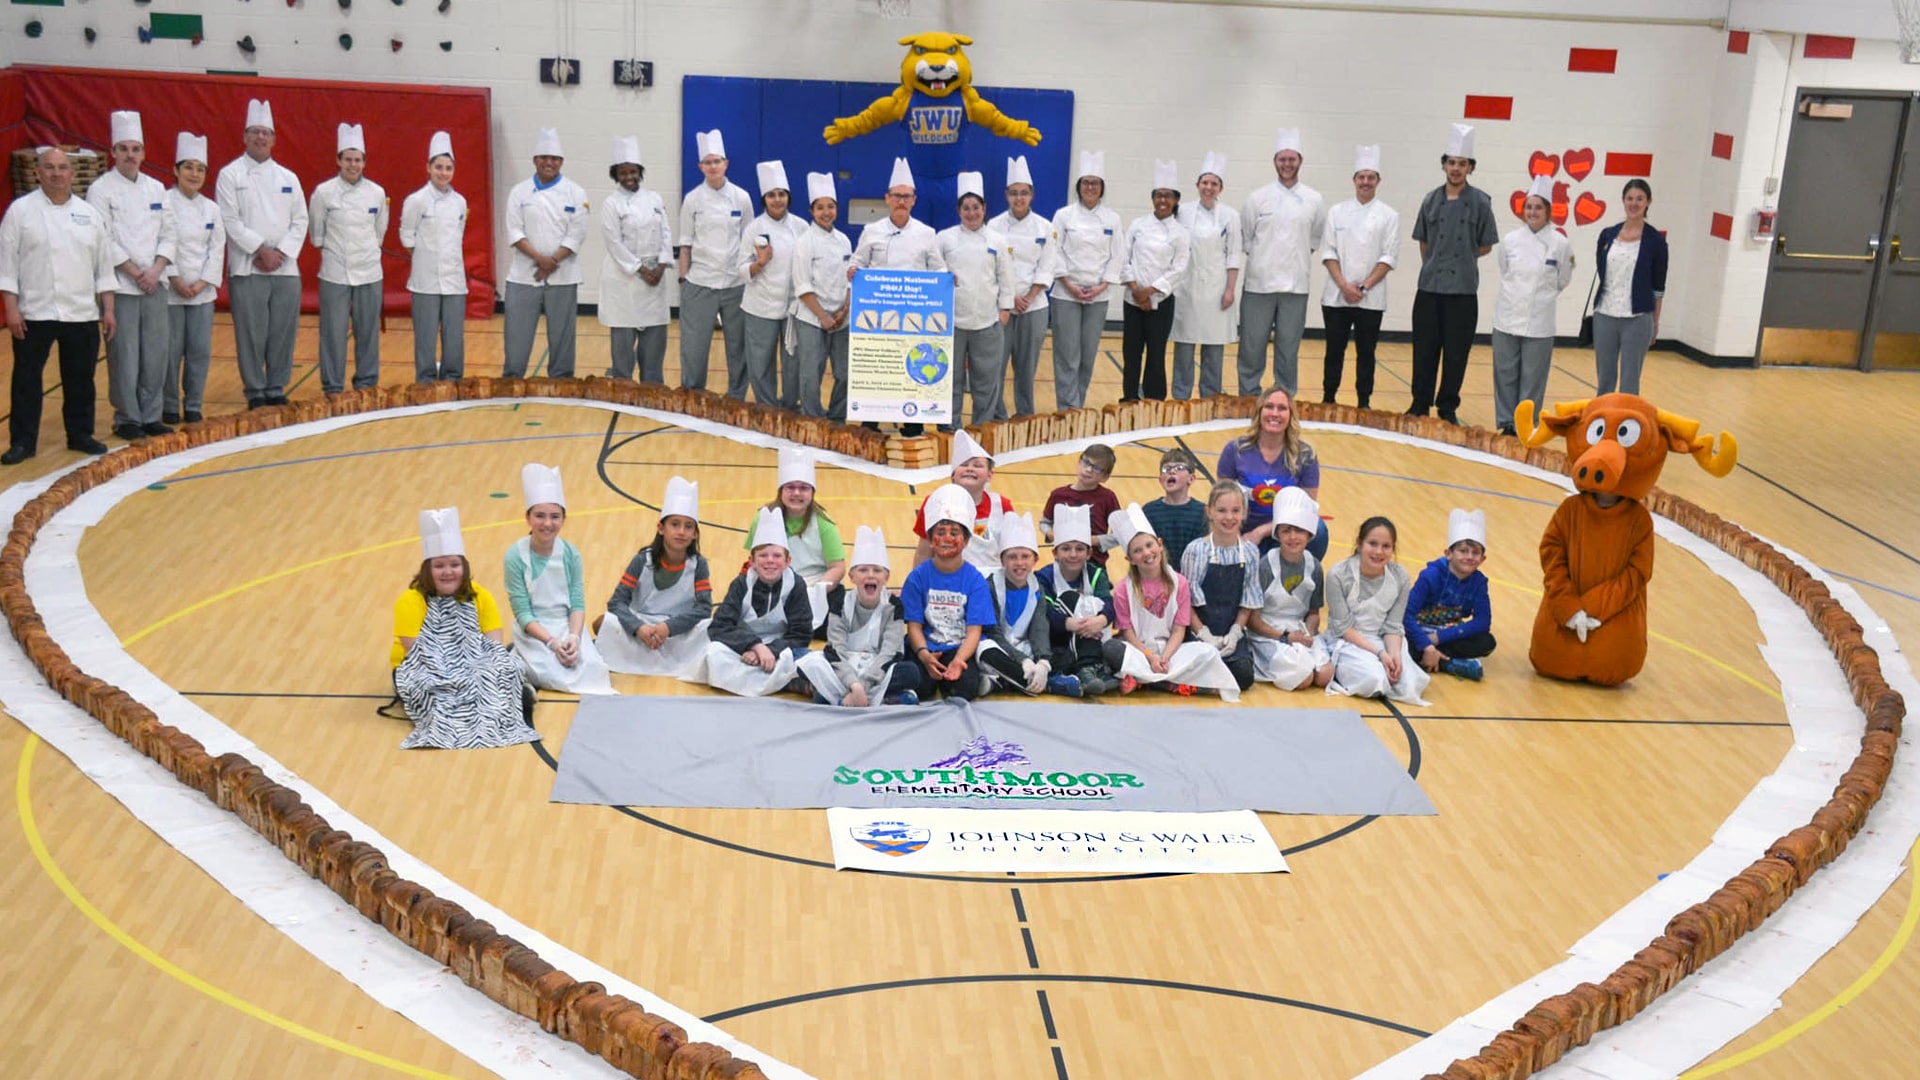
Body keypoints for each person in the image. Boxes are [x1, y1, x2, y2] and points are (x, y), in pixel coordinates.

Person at [1, 148, 116, 464]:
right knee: (26, 381)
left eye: (62, 167)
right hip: (34, 312)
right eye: (49, 167)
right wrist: (11, 308)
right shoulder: (19, 212)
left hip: (80, 311)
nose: (56, 173)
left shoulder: (89, 214)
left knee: (81, 379)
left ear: (71, 173)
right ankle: (23, 442)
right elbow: (7, 266)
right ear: (38, 173)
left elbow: (103, 267)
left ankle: (80, 435)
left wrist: (108, 309)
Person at [391, 507, 538, 750]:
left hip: (471, 664)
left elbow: (493, 645)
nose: (448, 572)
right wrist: (459, 677)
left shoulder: (481, 595)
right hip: (423, 668)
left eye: (454, 565)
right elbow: (418, 653)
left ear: (464, 567)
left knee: (506, 667)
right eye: (439, 566)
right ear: (428, 569)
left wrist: (478, 672)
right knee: (436, 694)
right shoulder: (410, 600)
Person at [89, 110, 176, 440]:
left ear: (144, 152)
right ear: (113, 153)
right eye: (123, 149)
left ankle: (151, 414)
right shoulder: (101, 190)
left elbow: (170, 234)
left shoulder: (157, 189)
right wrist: (134, 271)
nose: (130, 155)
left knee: (155, 353)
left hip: (155, 284)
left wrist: (155, 270)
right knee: (124, 355)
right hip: (122, 286)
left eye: (135, 149)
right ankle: (127, 418)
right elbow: (103, 238)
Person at [216, 98, 306, 409]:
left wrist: (280, 252)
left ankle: (276, 386)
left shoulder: (288, 178)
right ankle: (255, 389)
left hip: (285, 268)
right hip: (248, 267)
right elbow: (229, 220)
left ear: (274, 139)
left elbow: (301, 221)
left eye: (266, 132)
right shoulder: (230, 175)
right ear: (244, 136)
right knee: (251, 333)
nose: (260, 137)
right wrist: (260, 249)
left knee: (283, 331)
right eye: (254, 131)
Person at [1408, 124, 1498, 425]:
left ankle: (1447, 407)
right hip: (1430, 288)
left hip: (1463, 291)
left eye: (1462, 164)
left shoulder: (1482, 203)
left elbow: (1485, 245)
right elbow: (1423, 241)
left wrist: (1460, 261)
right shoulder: (1430, 200)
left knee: (1456, 354)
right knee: (1424, 351)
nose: (1456, 169)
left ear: (1470, 167)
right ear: (1444, 165)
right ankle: (1420, 402)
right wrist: (1435, 262)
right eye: (1451, 163)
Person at [1104, 505, 1241, 700]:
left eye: (1149, 545)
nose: (1146, 553)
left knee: (1207, 652)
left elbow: (1179, 630)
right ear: (1130, 558)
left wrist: (1164, 658)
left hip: (1171, 651)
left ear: (1159, 544)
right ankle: (1171, 682)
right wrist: (1150, 657)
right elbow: (1128, 633)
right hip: (1139, 652)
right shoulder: (1122, 590)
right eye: (1137, 550)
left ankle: (1146, 680)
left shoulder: (1180, 583)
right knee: (1110, 648)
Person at [852, 157, 946, 435]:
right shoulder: (872, 231)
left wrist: (947, 279)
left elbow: (938, 268)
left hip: (914, 317)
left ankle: (913, 420)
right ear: (887, 199)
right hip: (877, 316)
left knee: (912, 365)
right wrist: (852, 272)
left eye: (906, 196)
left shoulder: (927, 233)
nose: (901, 201)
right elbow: (856, 263)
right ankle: (870, 419)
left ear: (914, 200)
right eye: (896, 196)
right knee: (878, 368)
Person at [504, 463, 613, 695]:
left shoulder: (570, 553)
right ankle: (518, 656)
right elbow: (522, 613)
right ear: (528, 517)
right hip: (535, 631)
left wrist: (573, 637)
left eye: (555, 516)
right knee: (550, 672)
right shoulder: (515, 556)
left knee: (594, 670)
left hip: (566, 625)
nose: (547, 523)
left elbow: (577, 603)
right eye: (539, 516)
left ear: (563, 518)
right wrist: (552, 643)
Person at [1237, 128, 1326, 398]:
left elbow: (1314, 238)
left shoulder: (1314, 199)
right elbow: (1247, 238)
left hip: (1295, 287)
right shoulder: (1257, 198)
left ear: (1300, 161)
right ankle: (1249, 395)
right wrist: (1266, 260)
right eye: (1282, 159)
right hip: (1258, 285)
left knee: (1288, 348)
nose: (1287, 164)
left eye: (1292, 159)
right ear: (1274, 162)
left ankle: (1284, 398)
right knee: (1252, 346)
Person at [596, 475, 713, 676]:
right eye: (675, 524)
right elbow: (616, 603)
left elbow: (704, 609)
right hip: (642, 626)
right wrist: (639, 628)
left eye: (688, 526)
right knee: (602, 622)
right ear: (661, 528)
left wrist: (669, 627)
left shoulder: (698, 565)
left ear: (695, 533)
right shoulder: (642, 560)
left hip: (676, 630)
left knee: (711, 628)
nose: (681, 532)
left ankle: (635, 656)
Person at [796, 526, 922, 707]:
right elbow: (836, 650)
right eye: (863, 570)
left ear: (886, 577)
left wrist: (863, 685)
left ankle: (834, 698)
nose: (870, 575)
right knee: (808, 663)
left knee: (910, 673)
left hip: (877, 669)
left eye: (877, 570)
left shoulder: (893, 606)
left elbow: (891, 653)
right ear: (852, 576)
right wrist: (854, 685)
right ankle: (881, 700)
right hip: (846, 667)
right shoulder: (840, 603)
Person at [698, 507, 815, 697]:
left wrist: (771, 650)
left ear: (787, 561)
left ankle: (757, 680)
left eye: (777, 556)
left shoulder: (796, 585)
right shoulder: (741, 584)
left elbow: (801, 635)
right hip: (744, 649)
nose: (770, 561)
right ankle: (785, 682)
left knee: (812, 660)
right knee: (714, 654)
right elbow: (719, 627)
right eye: (763, 555)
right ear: (751, 560)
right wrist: (754, 646)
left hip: (781, 649)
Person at [309, 123, 388, 396]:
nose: (353, 165)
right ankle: (332, 386)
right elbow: (317, 235)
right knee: (332, 332)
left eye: (358, 160)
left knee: (367, 331)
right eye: (347, 159)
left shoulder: (377, 193)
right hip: (334, 273)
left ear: (364, 162)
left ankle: (366, 383)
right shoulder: (323, 192)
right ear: (338, 161)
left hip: (369, 271)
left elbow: (380, 232)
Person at [1319, 145, 1400, 411]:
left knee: (1367, 353)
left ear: (1378, 181)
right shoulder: (1336, 212)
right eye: (1361, 177)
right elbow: (1328, 251)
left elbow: (1388, 257)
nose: (1365, 182)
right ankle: (1329, 397)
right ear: (1354, 180)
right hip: (1336, 295)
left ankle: (1363, 402)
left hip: (1370, 297)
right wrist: (1344, 284)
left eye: (1370, 177)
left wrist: (1363, 287)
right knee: (1334, 351)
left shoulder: (1389, 216)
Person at [1492, 175, 1574, 435]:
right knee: (1505, 373)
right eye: (1529, 207)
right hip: (1507, 316)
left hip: (1539, 321)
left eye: (1538, 207)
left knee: (1532, 378)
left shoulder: (1560, 243)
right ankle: (1506, 422)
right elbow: (1505, 270)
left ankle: (1525, 424)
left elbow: (1563, 279)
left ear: (1548, 211)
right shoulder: (1510, 240)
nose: (1532, 212)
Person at [503, 128, 588, 378]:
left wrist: (552, 261)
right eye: (543, 157)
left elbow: (577, 233)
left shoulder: (576, 192)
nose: (549, 163)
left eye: (554, 159)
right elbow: (514, 231)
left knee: (562, 334)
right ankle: (512, 380)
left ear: (561, 162)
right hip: (523, 275)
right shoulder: (519, 191)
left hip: (564, 274)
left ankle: (561, 382)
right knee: (516, 334)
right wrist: (540, 260)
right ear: (534, 160)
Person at [903, 484, 996, 701]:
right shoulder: (917, 577)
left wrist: (959, 660)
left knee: (963, 690)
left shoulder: (975, 581)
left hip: (958, 647)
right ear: (931, 540)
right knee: (921, 688)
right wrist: (924, 655)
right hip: (925, 646)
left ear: (965, 541)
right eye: (940, 533)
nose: (946, 539)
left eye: (954, 533)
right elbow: (914, 626)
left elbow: (974, 632)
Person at [938, 170, 1015, 428]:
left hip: (987, 323)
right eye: (966, 208)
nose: (972, 213)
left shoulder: (997, 240)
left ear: (985, 208)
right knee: (951, 380)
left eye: (976, 207)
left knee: (986, 381)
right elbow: (933, 272)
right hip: (952, 324)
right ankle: (950, 427)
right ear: (959, 210)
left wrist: (1004, 311)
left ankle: (983, 427)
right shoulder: (944, 238)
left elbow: (1006, 278)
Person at [1325, 516, 1430, 704]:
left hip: (1383, 641)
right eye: (1372, 544)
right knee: (1375, 680)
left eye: (1386, 546)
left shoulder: (1400, 577)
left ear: (1393, 548)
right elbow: (1344, 629)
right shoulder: (1338, 575)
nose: (1378, 552)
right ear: (1359, 544)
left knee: (1410, 684)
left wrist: (1394, 657)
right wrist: (1379, 654)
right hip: (1349, 642)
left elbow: (1393, 626)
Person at [678, 129, 753, 394]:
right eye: (707, 162)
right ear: (700, 167)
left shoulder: (742, 198)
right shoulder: (692, 199)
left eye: (716, 161)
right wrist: (684, 281)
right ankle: (692, 393)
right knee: (694, 345)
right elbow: (685, 244)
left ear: (726, 163)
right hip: (700, 283)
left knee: (738, 346)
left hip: (735, 284)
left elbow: (749, 240)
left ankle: (737, 396)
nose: (712, 166)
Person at [1048, 150, 1123, 411]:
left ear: (1102, 188)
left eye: (1095, 183)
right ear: (1078, 186)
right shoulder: (1063, 215)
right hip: (1066, 293)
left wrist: (1102, 286)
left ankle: (1078, 405)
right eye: (1086, 183)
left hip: (1098, 296)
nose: (1090, 188)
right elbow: (1053, 251)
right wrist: (1069, 283)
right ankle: (1067, 408)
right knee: (1067, 355)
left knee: (1087, 355)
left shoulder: (1112, 218)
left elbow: (1117, 256)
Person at [1216, 388, 1329, 559]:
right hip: (1244, 532)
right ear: (1259, 412)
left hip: (1284, 532)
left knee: (1318, 528)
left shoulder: (1306, 455)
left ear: (1291, 415)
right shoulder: (1235, 450)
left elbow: (1307, 510)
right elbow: (1222, 501)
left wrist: (1261, 532)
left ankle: (1303, 574)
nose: (1275, 413)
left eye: (1282, 408)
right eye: (1269, 406)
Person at [596, 137, 673, 384]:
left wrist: (661, 265)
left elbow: (666, 233)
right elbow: (614, 243)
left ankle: (653, 387)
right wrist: (642, 270)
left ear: (640, 172)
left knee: (654, 340)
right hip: (624, 278)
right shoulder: (611, 203)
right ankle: (622, 386)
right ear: (616, 175)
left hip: (655, 278)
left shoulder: (655, 199)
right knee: (623, 342)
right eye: (623, 172)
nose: (629, 176)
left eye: (633, 171)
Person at [742, 448, 845, 628]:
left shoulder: (823, 523)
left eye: (803, 488)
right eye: (790, 487)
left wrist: (815, 593)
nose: (796, 493)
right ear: (781, 491)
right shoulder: (763, 517)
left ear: (812, 492)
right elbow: (753, 560)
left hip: (815, 587)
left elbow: (837, 567)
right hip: (774, 581)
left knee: (834, 619)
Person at [975, 513, 1075, 696]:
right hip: (998, 648)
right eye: (1012, 557)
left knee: (1064, 653)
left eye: (1025, 556)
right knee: (986, 650)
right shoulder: (990, 586)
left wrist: (1043, 661)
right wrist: (1023, 661)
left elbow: (1039, 628)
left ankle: (1005, 682)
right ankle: (1044, 684)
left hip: (1023, 648)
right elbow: (994, 633)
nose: (1019, 563)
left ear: (1035, 559)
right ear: (1002, 560)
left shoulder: (1037, 587)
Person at [162, 132, 224, 425]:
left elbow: (216, 248)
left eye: (200, 169)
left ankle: (194, 404)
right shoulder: (162, 202)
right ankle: (170, 405)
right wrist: (174, 278)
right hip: (171, 291)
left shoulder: (211, 208)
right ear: (176, 170)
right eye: (188, 167)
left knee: (199, 351)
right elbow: (161, 241)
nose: (194, 174)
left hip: (202, 292)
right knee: (171, 351)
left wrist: (202, 282)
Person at [399, 131, 470, 384]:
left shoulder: (460, 202)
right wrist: (425, 260)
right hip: (424, 280)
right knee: (425, 335)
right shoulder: (416, 200)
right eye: (438, 167)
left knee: (454, 335)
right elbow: (407, 236)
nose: (443, 172)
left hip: (454, 280)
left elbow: (458, 234)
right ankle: (426, 380)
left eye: (448, 168)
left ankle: (452, 378)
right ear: (428, 168)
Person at [1246, 487, 1334, 689]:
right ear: (1277, 533)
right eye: (1286, 530)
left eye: (1299, 530)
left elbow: (1313, 613)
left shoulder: (1315, 568)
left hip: (1299, 629)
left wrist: (1308, 634)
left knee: (1325, 675)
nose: (1293, 537)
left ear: (1310, 534)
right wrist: (1285, 637)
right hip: (1268, 632)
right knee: (1302, 679)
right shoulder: (1266, 566)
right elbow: (1252, 619)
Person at [1170, 152, 1241, 400]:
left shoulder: (1231, 216)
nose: (1208, 188)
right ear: (1197, 185)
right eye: (1204, 183)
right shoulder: (1182, 212)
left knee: (1214, 347)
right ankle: (1181, 397)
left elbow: (1233, 255)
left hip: (1217, 288)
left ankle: (1210, 398)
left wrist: (1230, 289)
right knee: (1185, 346)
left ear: (1221, 188)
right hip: (1187, 286)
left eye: (1214, 184)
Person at [987, 155, 1054, 420]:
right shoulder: (994, 226)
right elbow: (993, 267)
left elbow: (1047, 266)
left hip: (1035, 306)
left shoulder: (1045, 227)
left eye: (1023, 193)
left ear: (1032, 195)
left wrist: (1029, 296)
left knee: (1026, 368)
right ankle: (996, 415)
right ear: (1006, 195)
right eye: (1014, 193)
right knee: (996, 365)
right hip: (1003, 306)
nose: (1019, 198)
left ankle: (1025, 415)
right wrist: (1011, 297)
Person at [1179, 483, 1263, 692]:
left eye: (1235, 511)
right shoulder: (1196, 550)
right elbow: (1185, 602)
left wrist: (1235, 633)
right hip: (1199, 631)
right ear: (1209, 512)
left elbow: (1248, 600)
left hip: (1230, 633)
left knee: (1244, 676)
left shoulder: (1251, 552)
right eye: (1221, 510)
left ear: (1244, 513)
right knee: (1197, 666)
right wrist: (1203, 634)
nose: (1229, 517)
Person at [1120, 160, 1191, 402]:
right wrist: (1136, 290)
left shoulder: (1181, 233)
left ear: (1175, 200)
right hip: (1133, 300)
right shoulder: (1138, 225)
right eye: (1159, 195)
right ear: (1152, 199)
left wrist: (1150, 292)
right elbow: (1123, 257)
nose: (1163, 200)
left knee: (1156, 353)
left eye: (1168, 196)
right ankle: (1129, 398)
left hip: (1161, 302)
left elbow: (1178, 268)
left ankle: (1154, 401)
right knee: (1131, 353)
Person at [1592, 178, 1667, 396]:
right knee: (1604, 378)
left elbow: (1658, 286)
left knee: (1629, 380)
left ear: (1648, 203)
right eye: (1629, 198)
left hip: (1638, 318)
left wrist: (1655, 321)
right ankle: (1602, 426)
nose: (1634, 203)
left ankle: (1627, 426)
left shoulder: (1656, 242)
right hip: (1605, 314)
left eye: (1639, 199)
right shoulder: (1608, 235)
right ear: (1623, 201)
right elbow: (1602, 269)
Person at [740, 160, 805, 407]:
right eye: (771, 195)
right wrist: (760, 263)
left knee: (793, 361)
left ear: (788, 197)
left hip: (793, 307)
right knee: (760, 360)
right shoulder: (753, 228)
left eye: (781, 195)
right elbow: (740, 269)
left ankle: (789, 406)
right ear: (764, 198)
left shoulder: (800, 226)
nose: (777, 200)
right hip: (760, 306)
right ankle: (766, 408)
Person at [1035, 504, 1119, 695]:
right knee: (1070, 599)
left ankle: (1088, 670)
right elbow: (1043, 610)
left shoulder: (1096, 573)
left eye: (1079, 549)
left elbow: (1109, 603)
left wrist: (1100, 620)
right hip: (1058, 636)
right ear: (1055, 553)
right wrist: (1069, 623)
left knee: (1096, 606)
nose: (1073, 554)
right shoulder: (1044, 576)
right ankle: (1087, 669)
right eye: (1066, 549)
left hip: (1092, 633)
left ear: (1089, 553)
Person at [1406, 508, 1495, 681]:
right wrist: (1426, 643)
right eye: (1463, 551)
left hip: (1446, 633)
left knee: (1487, 642)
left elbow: (1483, 622)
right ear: (1448, 553)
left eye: (1475, 553)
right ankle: (1446, 662)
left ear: (1483, 558)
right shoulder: (1430, 576)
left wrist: (1438, 638)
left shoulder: (1479, 582)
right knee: (1400, 642)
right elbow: (1406, 614)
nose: (1469, 557)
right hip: (1418, 631)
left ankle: (1431, 659)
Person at [791, 172, 853, 420]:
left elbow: (850, 279)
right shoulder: (805, 242)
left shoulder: (844, 240)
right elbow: (802, 286)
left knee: (845, 372)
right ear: (811, 211)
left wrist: (844, 310)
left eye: (830, 206)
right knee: (811, 373)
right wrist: (824, 317)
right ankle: (813, 418)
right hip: (812, 317)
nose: (826, 212)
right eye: (820, 208)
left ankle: (837, 418)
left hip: (841, 319)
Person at [911, 428, 1013, 571]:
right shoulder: (935, 502)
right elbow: (923, 553)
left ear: (989, 475)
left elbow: (1011, 552)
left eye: (977, 465)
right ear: (953, 475)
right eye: (964, 465)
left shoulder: (1002, 506)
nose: (970, 469)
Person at [1040, 441, 1120, 571]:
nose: (1088, 470)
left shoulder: (1108, 497)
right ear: (1078, 462)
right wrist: (1051, 534)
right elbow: (1045, 522)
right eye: (1086, 462)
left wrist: (1094, 540)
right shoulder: (1058, 495)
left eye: (1097, 468)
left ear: (1105, 477)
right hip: (1063, 561)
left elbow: (1118, 534)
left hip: (1095, 563)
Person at [1141, 447, 1208, 565]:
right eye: (1166, 469)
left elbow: (1204, 552)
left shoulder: (1203, 512)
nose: (1171, 471)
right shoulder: (1149, 511)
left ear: (1191, 479)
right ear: (1161, 479)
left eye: (1179, 468)